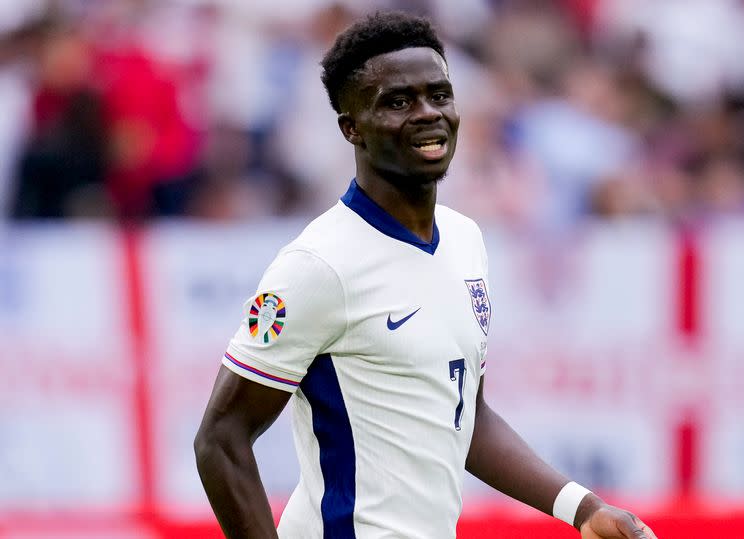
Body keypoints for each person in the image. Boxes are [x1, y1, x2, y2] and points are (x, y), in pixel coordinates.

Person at [194, 11, 658, 539]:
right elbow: (220, 439)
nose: (428, 114)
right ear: (352, 128)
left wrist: (583, 509)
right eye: (397, 102)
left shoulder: (464, 240)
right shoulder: (318, 265)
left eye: (439, 95)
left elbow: (465, 419)